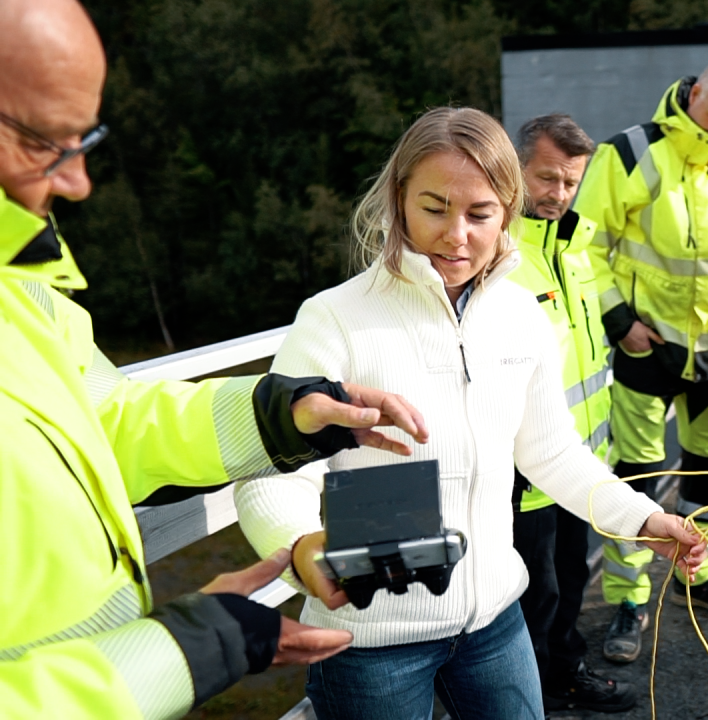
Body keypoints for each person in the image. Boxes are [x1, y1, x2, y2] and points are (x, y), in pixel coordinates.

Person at [0, 1, 433, 717]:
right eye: (46, 141)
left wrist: (280, 418)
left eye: (85, 139)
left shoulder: (24, 287)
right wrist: (183, 652)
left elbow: (101, 416)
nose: (77, 181)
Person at [233, 107, 706, 720]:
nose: (457, 235)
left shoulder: (520, 315)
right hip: (371, 640)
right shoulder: (332, 319)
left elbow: (552, 452)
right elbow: (271, 473)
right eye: (435, 208)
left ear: (508, 209)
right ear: (398, 198)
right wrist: (301, 548)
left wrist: (645, 519)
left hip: (494, 626)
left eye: (480, 214)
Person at [573, 58, 708, 664]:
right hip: (646, 346)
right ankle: (629, 599)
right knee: (637, 476)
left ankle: (695, 574)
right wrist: (618, 322)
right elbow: (586, 244)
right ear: (693, 94)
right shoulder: (630, 152)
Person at [506, 114, 635, 712]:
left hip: (578, 462)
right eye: (546, 178)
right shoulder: (496, 258)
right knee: (532, 596)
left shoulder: (577, 252)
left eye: (570, 182)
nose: (558, 193)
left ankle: (562, 676)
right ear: (515, 168)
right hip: (523, 473)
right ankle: (524, 698)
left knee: (571, 581)